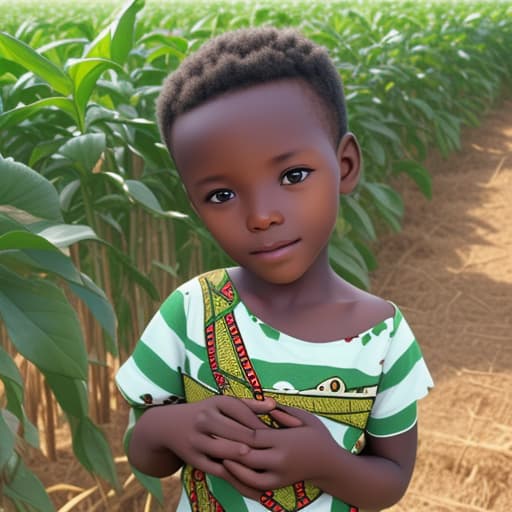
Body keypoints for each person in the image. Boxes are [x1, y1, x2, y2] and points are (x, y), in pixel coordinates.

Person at [116, 26, 433, 512]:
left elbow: (390, 482)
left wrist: (326, 462)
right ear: (196, 205)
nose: (261, 215)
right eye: (221, 195)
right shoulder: (190, 310)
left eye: (293, 176)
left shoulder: (384, 337)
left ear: (344, 165)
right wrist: (168, 427)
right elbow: (143, 449)